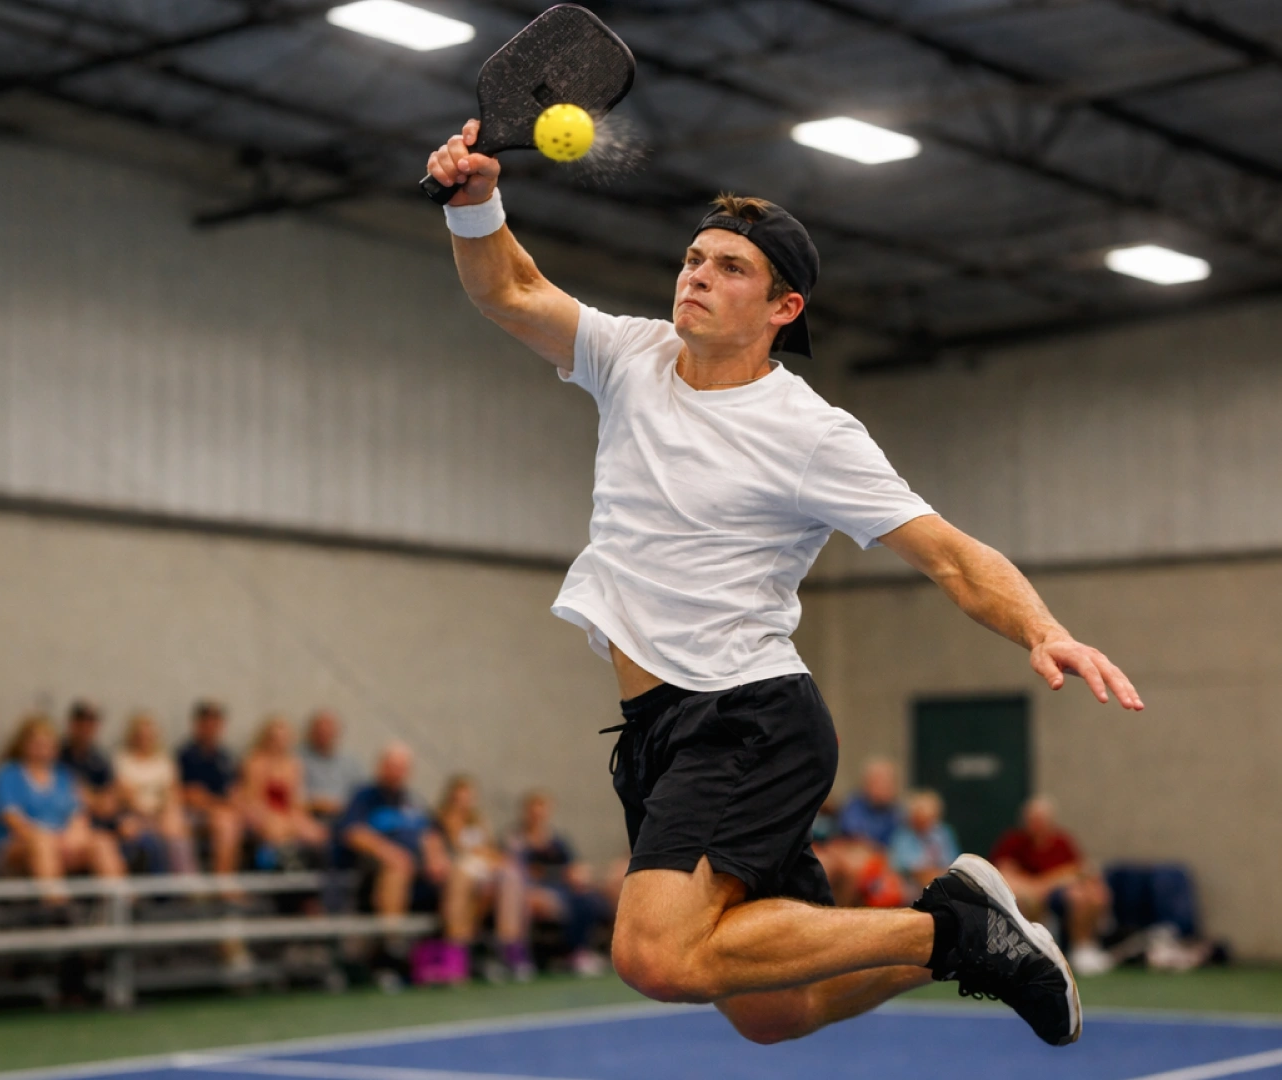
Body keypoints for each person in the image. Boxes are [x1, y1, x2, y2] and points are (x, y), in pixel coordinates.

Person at [427, 124, 1143, 1047]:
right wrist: (472, 199)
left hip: (747, 718)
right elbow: (512, 288)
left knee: (654, 956)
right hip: (659, 730)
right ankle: (961, 935)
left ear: (782, 305)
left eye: (729, 267)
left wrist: (1042, 628)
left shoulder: (811, 433)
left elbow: (949, 553)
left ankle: (962, 932)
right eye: (693, 257)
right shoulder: (629, 357)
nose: (696, 273)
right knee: (775, 1011)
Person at [336, 743, 455, 974]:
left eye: (402, 767)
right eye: (392, 766)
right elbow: (353, 832)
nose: (396, 771)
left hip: (419, 870)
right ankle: (392, 947)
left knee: (459, 873)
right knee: (397, 868)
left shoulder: (413, 800)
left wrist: (437, 856)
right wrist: (389, 852)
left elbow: (432, 833)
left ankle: (455, 951)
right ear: (380, 767)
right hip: (377, 869)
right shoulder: (365, 796)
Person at [0, 715, 124, 903]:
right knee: (42, 843)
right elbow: (12, 819)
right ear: (24, 745)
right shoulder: (8, 775)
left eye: (47, 744)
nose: (43, 749)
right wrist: (50, 839)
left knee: (101, 841)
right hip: (20, 844)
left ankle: (120, 904)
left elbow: (78, 814)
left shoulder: (63, 777)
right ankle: (56, 905)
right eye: (37, 743)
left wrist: (71, 837)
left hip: (61, 842)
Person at [992, 796, 1115, 977]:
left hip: (1059, 894)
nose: (1036, 825)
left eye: (1041, 820)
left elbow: (1079, 871)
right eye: (1032, 820)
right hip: (1029, 896)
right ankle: (1026, 952)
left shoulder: (1062, 842)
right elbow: (1004, 873)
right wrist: (1038, 886)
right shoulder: (1012, 842)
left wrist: (1046, 884)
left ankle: (1083, 948)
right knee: (1024, 897)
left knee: (1087, 896)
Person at [433, 775, 525, 982]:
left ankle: (510, 944)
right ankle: (456, 950)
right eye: (460, 797)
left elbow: (489, 849)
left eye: (468, 797)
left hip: (484, 870)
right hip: (458, 869)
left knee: (511, 874)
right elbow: (459, 849)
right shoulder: (442, 819)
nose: (465, 802)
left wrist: (492, 858)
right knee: (463, 876)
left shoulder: (480, 821)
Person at [510, 789, 608, 977]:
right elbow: (522, 870)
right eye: (534, 809)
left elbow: (572, 866)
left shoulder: (557, 840)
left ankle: (577, 952)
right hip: (534, 889)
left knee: (586, 898)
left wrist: (578, 874)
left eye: (542, 809)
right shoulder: (517, 839)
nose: (538, 814)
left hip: (562, 888)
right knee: (559, 902)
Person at [238, 716, 328, 867]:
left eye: (283, 738)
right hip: (263, 813)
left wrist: (297, 818)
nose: (279, 743)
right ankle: (280, 863)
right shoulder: (255, 762)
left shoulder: (294, 765)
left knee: (319, 833)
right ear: (266, 739)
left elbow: (296, 799)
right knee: (276, 829)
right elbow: (253, 799)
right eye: (275, 738)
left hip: (287, 813)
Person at [112, 712, 196, 874]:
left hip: (160, 814)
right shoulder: (123, 761)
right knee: (128, 828)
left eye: (149, 735)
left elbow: (171, 793)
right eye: (141, 735)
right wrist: (148, 815)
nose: (145, 739)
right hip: (134, 814)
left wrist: (160, 813)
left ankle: (185, 881)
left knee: (177, 826)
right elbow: (126, 795)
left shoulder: (164, 761)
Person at [177, 700, 244, 880]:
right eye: (207, 722)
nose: (211, 727)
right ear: (198, 724)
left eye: (216, 722)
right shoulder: (187, 754)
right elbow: (190, 795)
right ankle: (223, 882)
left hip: (222, 810)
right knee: (225, 823)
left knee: (240, 818)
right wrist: (219, 804)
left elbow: (234, 791)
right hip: (195, 814)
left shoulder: (225, 756)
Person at [58, 700, 119, 828]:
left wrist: (91, 798)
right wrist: (91, 797)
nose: (85, 728)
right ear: (72, 724)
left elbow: (109, 800)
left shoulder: (100, 759)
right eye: (81, 722)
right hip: (64, 818)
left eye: (90, 723)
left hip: (96, 818)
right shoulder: (57, 754)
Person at [300, 709, 365, 821]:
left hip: (343, 819)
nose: (324, 734)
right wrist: (317, 803)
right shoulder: (298, 759)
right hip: (308, 817)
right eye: (320, 731)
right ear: (311, 732)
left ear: (337, 733)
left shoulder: (350, 762)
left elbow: (361, 796)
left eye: (329, 731)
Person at [888, 790, 960, 890]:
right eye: (920, 818)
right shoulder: (903, 836)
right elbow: (899, 865)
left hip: (942, 881)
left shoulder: (944, 833)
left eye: (929, 819)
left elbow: (953, 862)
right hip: (910, 884)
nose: (925, 823)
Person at [837, 758, 902, 849]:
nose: (884, 787)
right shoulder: (853, 805)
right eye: (878, 782)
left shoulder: (897, 812)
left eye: (888, 782)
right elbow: (852, 835)